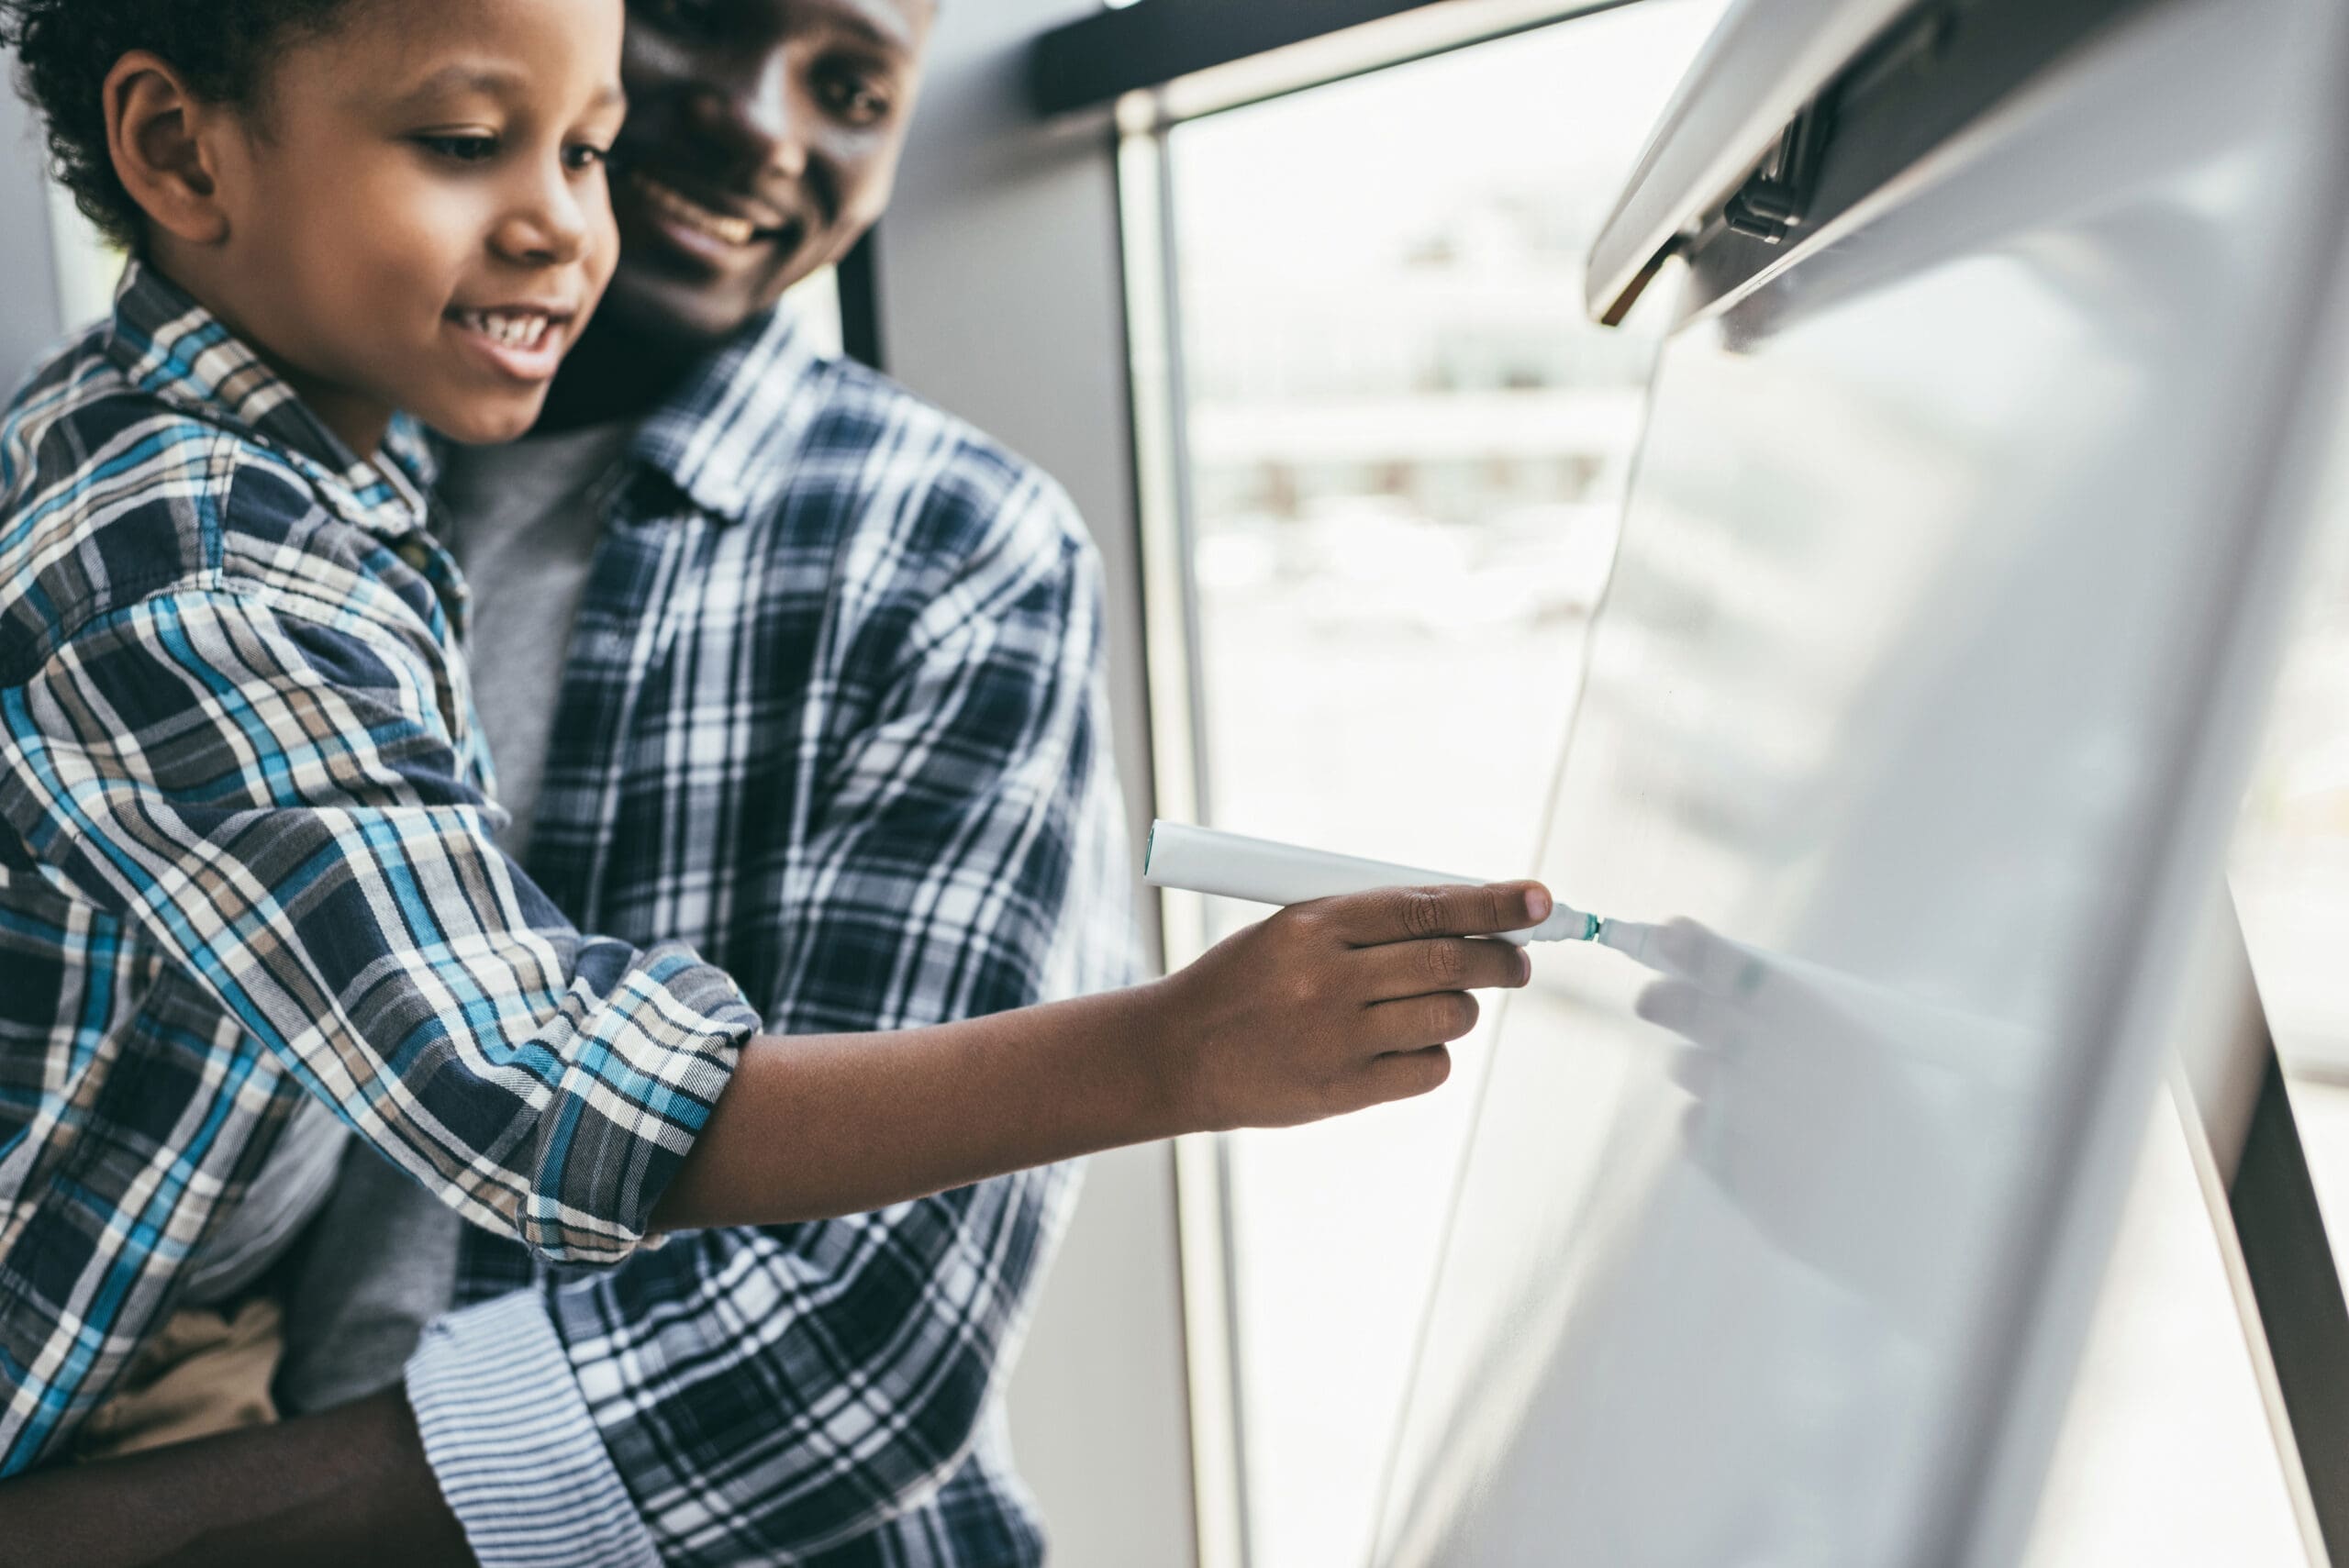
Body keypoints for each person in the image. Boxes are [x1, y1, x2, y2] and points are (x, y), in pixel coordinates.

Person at [0, 0, 1548, 1559]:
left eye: (582, 145)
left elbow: (853, 1340)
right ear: (181, 152)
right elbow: (535, 1086)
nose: (559, 214)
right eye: (470, 142)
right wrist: (1167, 1054)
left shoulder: (947, 548)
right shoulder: (206, 549)